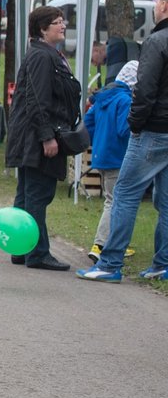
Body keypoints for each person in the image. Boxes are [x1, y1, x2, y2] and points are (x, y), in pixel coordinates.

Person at [78, 0, 168, 283]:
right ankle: (162, 263)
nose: (154, 8)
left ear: (164, 6)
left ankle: (111, 261)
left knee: (125, 194)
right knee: (165, 201)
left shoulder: (157, 40)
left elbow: (144, 88)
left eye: (156, 3)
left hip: (153, 129)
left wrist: (136, 124)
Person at [5, 6, 77, 271]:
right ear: (42, 29)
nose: (63, 25)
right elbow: (37, 100)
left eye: (62, 20)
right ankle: (37, 253)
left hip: (30, 135)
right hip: (35, 138)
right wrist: (47, 137)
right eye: (57, 22)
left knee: (27, 195)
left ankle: (20, 248)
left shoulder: (45, 54)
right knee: (36, 195)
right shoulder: (42, 57)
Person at [84, 61, 138, 263]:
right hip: (118, 156)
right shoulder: (125, 100)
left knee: (112, 198)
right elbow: (125, 129)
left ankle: (114, 243)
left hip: (100, 155)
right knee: (114, 201)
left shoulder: (103, 96)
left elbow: (88, 123)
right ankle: (100, 244)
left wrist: (94, 142)